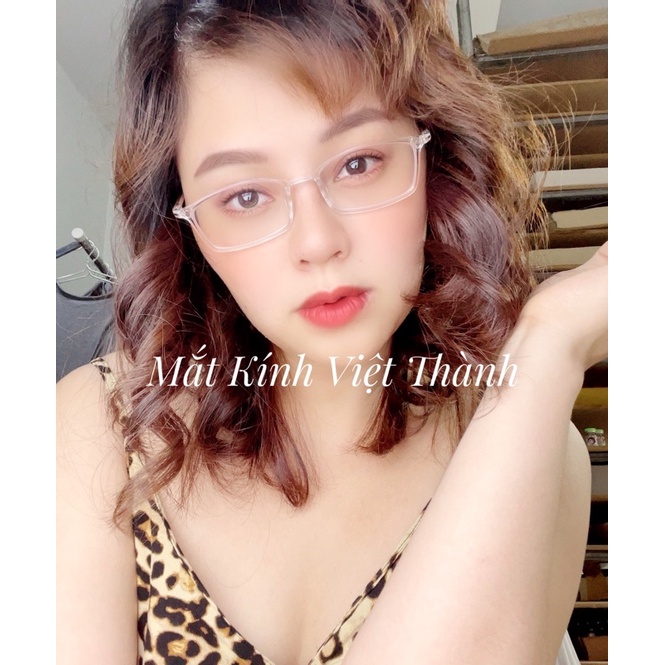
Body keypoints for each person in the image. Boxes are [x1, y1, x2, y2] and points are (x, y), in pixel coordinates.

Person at [56, 1, 608, 664]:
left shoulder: (534, 445)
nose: (317, 242)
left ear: (435, 164)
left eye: (358, 162)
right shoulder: (94, 428)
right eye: (244, 196)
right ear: (190, 229)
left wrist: (547, 346)